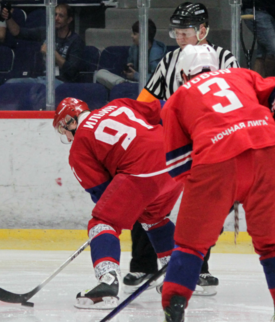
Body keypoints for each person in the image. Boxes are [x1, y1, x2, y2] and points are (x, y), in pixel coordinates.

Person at [157, 45, 275, 322]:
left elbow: (180, 167)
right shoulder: (243, 76)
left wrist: (210, 210)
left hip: (216, 160)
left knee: (189, 246)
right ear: (216, 66)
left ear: (184, 73)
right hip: (267, 154)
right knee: (273, 244)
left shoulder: (177, 99)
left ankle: (173, 320)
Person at [131, 2, 238, 295]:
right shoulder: (168, 60)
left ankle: (198, 267)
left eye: (185, 31)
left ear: (203, 30)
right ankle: (142, 264)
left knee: (202, 208)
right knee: (150, 199)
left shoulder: (225, 59)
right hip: (169, 141)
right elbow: (146, 102)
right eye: (176, 31)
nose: (179, 37)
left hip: (208, 144)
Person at [52, 97, 181, 309]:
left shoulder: (78, 148)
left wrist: (123, 210)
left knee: (103, 222)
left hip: (142, 170)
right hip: (175, 159)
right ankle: (177, 273)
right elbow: (163, 108)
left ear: (71, 121)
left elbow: (103, 193)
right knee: (153, 218)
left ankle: (108, 282)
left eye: (63, 130)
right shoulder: (118, 104)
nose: (66, 136)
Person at [3, 3, 85, 86]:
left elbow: (72, 71)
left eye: (61, 16)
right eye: (55, 14)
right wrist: (9, 18)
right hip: (41, 79)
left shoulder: (75, 41)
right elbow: (18, 32)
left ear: (69, 20)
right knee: (10, 84)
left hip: (62, 82)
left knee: (41, 92)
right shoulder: (46, 32)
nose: (56, 18)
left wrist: (52, 53)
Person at [93, 20, 166, 90]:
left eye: (134, 34)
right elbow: (131, 65)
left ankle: (125, 86)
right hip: (133, 83)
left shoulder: (158, 52)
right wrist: (130, 68)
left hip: (149, 86)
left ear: (144, 35)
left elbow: (158, 79)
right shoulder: (133, 48)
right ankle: (124, 84)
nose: (131, 36)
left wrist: (135, 75)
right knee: (99, 73)